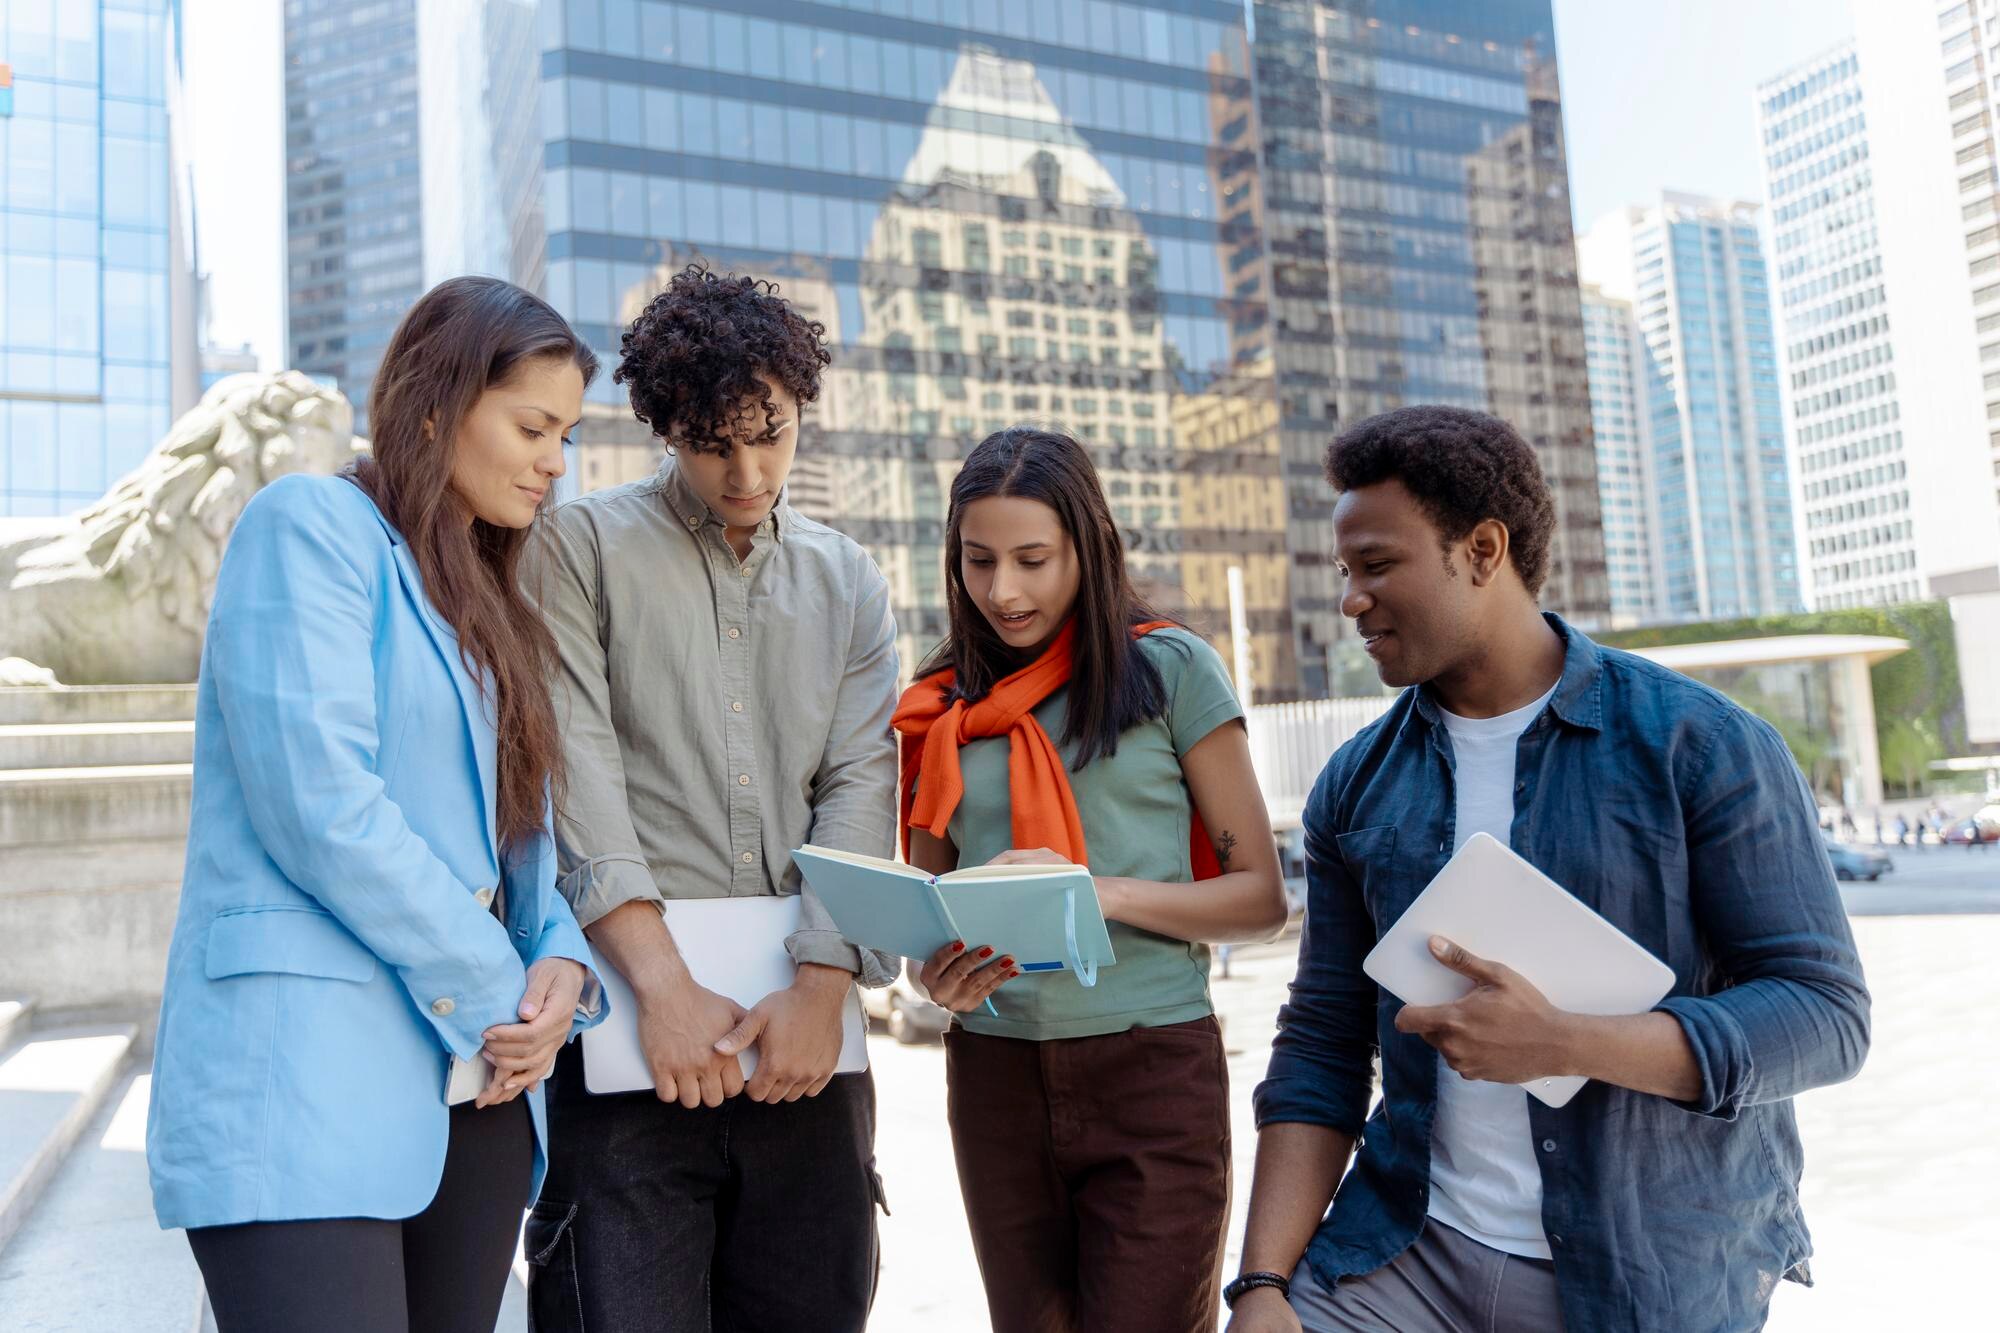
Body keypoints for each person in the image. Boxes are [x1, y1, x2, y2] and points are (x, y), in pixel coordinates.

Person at [1226, 406, 1870, 1333]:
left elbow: (1827, 1014)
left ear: (1482, 550)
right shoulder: (1355, 784)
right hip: (1402, 1255)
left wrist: (1567, 1041)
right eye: (1345, 572)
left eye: (1377, 566)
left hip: (1647, 1276)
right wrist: (1264, 1287)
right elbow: (1323, 1042)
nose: (1351, 599)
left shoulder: (1702, 745)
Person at [147, 277, 607, 1333]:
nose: (555, 461)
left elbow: (517, 842)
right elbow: (321, 804)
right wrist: (498, 978)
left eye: (567, 435)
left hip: (479, 1093)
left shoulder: (491, 608)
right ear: (437, 404)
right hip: (303, 1081)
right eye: (533, 426)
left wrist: (560, 965)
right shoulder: (308, 525)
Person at [523, 264, 900, 1332]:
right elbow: (574, 769)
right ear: (662, 427)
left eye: (769, 433)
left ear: (799, 406)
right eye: (711, 442)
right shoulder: (579, 549)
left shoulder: (848, 580)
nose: (746, 470)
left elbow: (861, 783)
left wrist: (824, 988)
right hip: (634, 1045)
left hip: (804, 1052)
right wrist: (663, 990)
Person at [896, 427, 1289, 1333]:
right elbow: (929, 913)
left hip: (1151, 1070)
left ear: (1088, 546)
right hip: (994, 1076)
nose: (1004, 590)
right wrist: (935, 973)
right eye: (979, 560)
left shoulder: (1169, 670)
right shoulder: (940, 703)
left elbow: (1261, 897)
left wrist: (1095, 891)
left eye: (1033, 558)